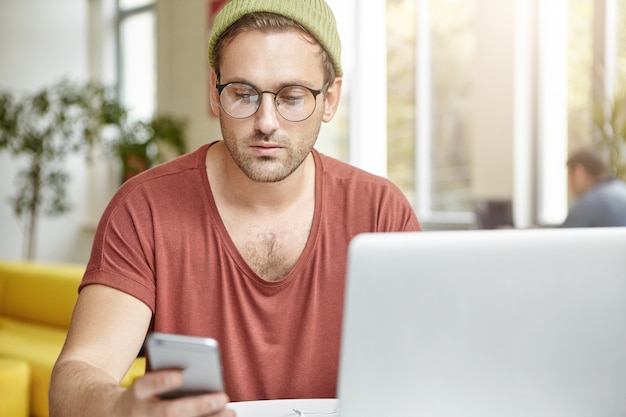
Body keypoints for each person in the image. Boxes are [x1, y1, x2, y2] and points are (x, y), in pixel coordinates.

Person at [49, 1, 421, 416]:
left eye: (292, 97)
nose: (266, 121)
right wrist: (120, 408)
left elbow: (429, 368)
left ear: (330, 98)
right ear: (214, 91)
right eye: (243, 94)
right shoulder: (143, 210)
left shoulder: (381, 213)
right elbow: (77, 375)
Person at [561, 147, 626, 227]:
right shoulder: (622, 189)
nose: (569, 184)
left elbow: (563, 237)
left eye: (569, 175)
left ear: (578, 172)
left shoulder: (587, 205)